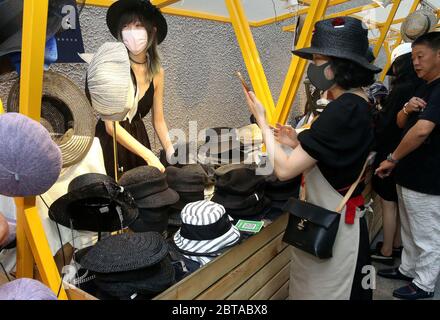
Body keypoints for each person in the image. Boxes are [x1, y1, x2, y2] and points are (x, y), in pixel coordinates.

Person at [243, 16, 380, 300]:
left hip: (334, 228)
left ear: (335, 68)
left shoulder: (340, 111)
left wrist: (261, 120)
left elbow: (284, 170)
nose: (312, 68)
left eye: (316, 60)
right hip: (344, 220)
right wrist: (297, 140)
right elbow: (336, 151)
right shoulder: (360, 102)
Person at [375, 32, 440, 300]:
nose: (415, 63)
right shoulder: (424, 86)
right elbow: (403, 124)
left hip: (428, 176)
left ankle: (424, 284)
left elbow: (422, 130)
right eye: (412, 57)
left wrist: (392, 158)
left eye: (420, 56)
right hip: (410, 174)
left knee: (427, 234)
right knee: (411, 229)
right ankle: (408, 268)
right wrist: (406, 108)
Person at [93, 0, 173, 177]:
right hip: (111, 142)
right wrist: (149, 155)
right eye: (126, 27)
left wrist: (171, 152)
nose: (132, 32)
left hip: (139, 139)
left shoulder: (157, 72)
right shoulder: (112, 65)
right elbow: (110, 125)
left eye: (138, 26)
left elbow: (158, 120)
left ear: (152, 31)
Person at [370, 44, 425, 266]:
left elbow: (386, 124)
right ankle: (398, 246)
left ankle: (386, 250)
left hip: (390, 153)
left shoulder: (402, 89)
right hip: (407, 154)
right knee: (399, 205)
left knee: (388, 202)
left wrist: (375, 113)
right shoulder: (421, 86)